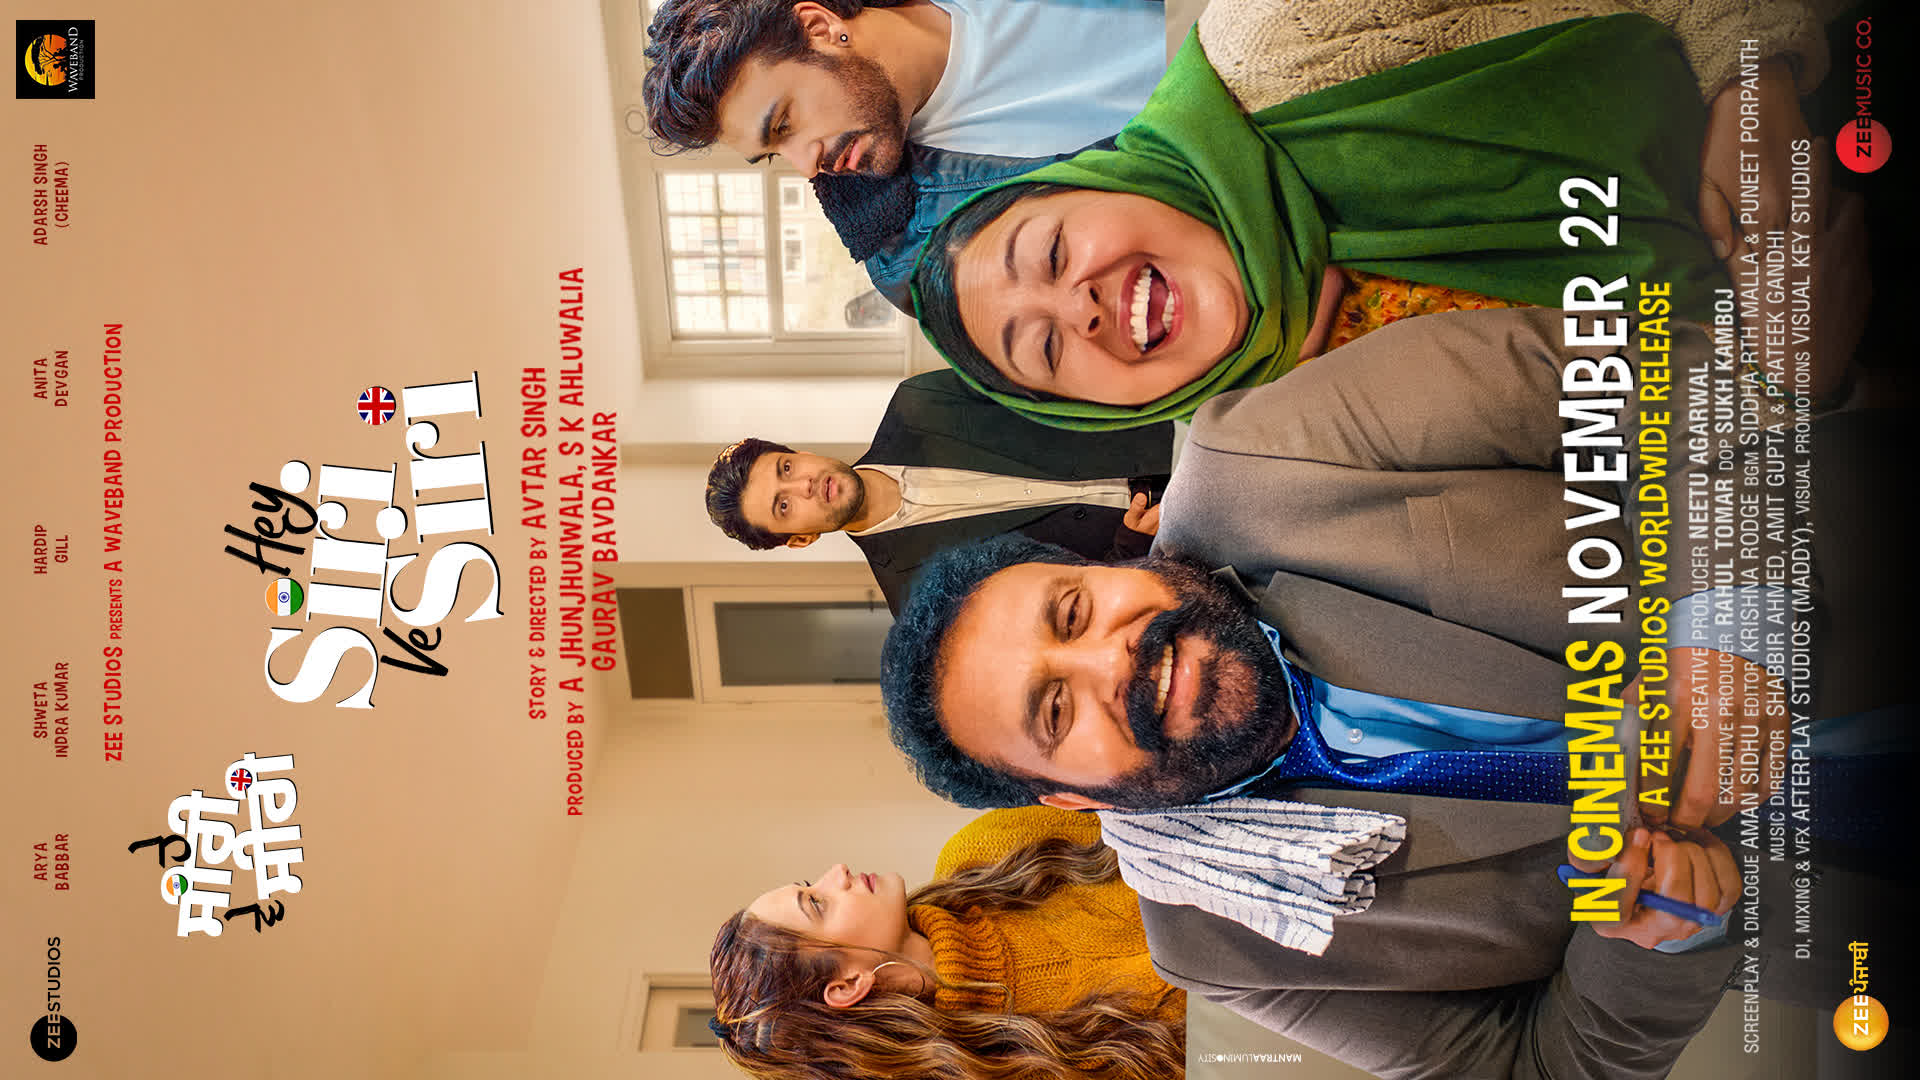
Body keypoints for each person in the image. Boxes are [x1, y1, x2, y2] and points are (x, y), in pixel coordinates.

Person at [877, 308, 1814, 1077]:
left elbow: (1669, 375)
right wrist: (1652, 943)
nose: (1113, 662)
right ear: (1070, 799)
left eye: (1075, 611)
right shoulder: (1214, 938)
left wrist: (1729, 621)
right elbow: (1541, 1066)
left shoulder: (1267, 453)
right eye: (1056, 709)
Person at [910, 0, 1841, 429]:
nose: (1079, 308)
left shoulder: (1279, 37)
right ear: (1096, 414)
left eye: (1054, 252)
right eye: (1046, 350)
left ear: (1100, 180)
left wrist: (1750, 76)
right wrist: (1801, 383)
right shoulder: (1281, 456)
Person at [640, 0, 1168, 309]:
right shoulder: (927, 244)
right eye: (776, 152)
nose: (807, 165)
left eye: (784, 124)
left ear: (819, 27)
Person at [707, 806, 1185, 1080]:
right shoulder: (1007, 1068)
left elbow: (1165, 815)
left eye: (809, 883)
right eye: (817, 903)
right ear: (848, 985)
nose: (838, 872)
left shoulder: (982, 851)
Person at [703, 371, 1173, 613]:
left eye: (786, 468)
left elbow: (1058, 384)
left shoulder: (919, 403)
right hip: (1169, 555)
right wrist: (1130, 549)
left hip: (1171, 430)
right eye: (784, 505)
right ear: (800, 539)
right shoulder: (916, 598)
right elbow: (1062, 612)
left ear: (800, 453)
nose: (803, 484)